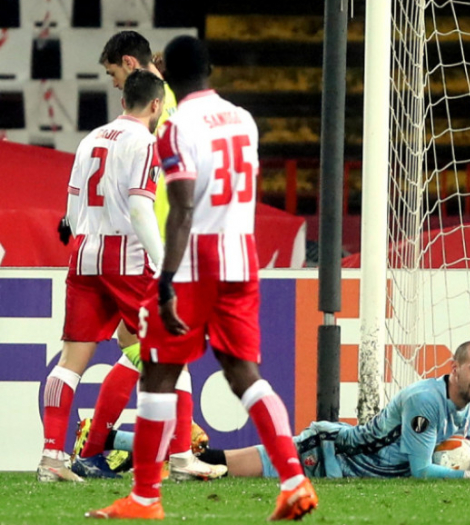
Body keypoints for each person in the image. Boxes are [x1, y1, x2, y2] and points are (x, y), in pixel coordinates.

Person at [85, 35, 317, 521]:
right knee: (244, 374)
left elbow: (185, 205)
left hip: (196, 261)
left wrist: (166, 276)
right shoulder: (244, 119)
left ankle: (145, 497)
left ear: (165, 68)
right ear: (210, 69)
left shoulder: (174, 127)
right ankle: (293, 480)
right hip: (241, 255)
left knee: (157, 371)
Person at [71, 30, 223, 482]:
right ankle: (152, 454)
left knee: (147, 349)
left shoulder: (151, 115)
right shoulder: (176, 102)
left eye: (114, 72)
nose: (114, 82)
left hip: (153, 247)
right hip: (163, 243)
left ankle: (107, 448)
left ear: (130, 65)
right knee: (138, 347)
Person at [96, 342, 470, 480]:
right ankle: (107, 438)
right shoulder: (425, 401)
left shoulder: (466, 406)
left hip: (345, 464)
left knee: (209, 463)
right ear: (455, 368)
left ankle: (113, 440)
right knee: (211, 465)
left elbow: (441, 453)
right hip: (327, 452)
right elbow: (420, 469)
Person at [37, 70, 166, 483]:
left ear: (122, 100)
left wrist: (80, 239)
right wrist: (162, 263)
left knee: (70, 363)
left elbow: (72, 206)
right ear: (156, 105)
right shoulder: (146, 142)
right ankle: (171, 457)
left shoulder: (91, 138)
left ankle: (52, 458)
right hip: (126, 259)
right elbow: (141, 209)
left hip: (84, 256)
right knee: (163, 356)